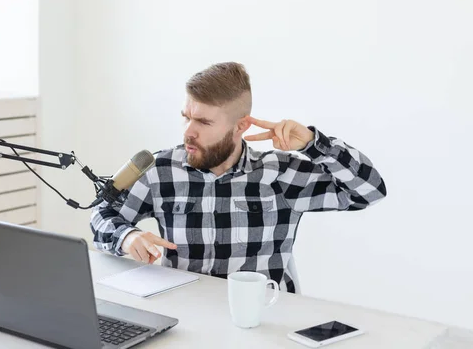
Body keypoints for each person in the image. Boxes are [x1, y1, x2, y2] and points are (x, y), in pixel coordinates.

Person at [90, 62, 386, 292]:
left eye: (204, 121)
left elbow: (369, 191)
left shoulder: (279, 173)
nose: (188, 132)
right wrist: (127, 237)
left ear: (240, 125)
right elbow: (102, 214)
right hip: (186, 317)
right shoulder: (161, 169)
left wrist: (313, 143)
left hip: (264, 320)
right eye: (187, 116)